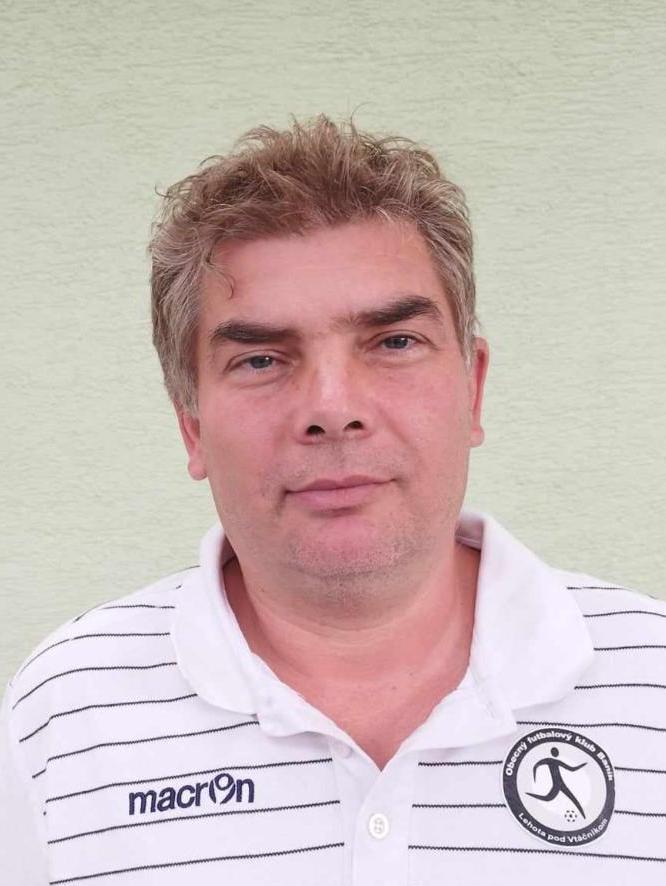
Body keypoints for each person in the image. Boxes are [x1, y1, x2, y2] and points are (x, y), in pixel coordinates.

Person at [1, 116, 665, 886]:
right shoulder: (62, 716)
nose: (332, 408)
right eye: (260, 359)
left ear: (473, 388)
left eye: (394, 343)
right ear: (191, 425)